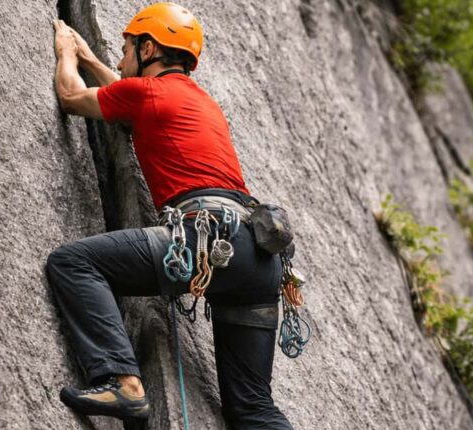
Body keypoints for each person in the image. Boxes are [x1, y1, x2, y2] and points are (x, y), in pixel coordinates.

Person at [47, 3, 293, 429]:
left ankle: (121, 381)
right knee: (253, 407)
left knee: (74, 262)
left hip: (207, 239)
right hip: (258, 256)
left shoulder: (147, 93)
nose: (121, 63)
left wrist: (67, 52)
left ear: (148, 49)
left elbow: (71, 97)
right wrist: (92, 59)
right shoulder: (200, 102)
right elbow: (130, 108)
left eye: (125, 51)